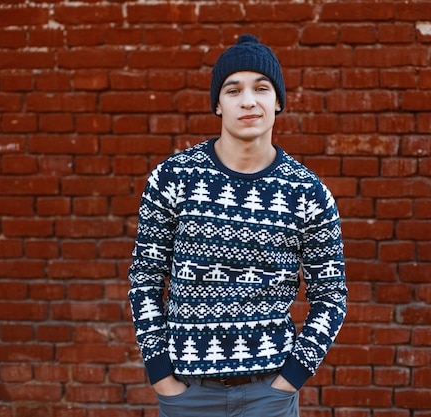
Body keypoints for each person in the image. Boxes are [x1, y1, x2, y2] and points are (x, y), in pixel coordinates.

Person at [128, 34, 347, 417]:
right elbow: (145, 280)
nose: (248, 100)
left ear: (278, 101)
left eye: (261, 88)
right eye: (233, 90)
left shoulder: (308, 193)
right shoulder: (172, 179)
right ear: (217, 103)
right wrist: (163, 379)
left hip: (270, 395)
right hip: (188, 396)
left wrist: (288, 383)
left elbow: (330, 297)